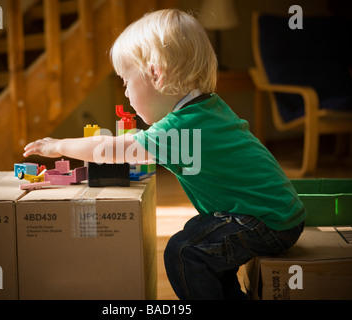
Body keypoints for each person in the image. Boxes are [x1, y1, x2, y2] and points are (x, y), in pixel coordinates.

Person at [23, 9, 306, 300]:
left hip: (266, 222)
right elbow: (140, 143)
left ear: (155, 75)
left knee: (184, 252)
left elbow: (107, 150)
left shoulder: (180, 129)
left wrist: (57, 147)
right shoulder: (205, 110)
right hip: (275, 214)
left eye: (126, 81)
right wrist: (129, 141)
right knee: (197, 232)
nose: (125, 93)